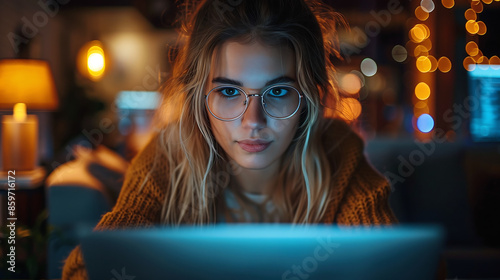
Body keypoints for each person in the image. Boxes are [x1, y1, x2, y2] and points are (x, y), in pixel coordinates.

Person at [62, 0, 446, 279]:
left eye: (278, 92)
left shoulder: (335, 150)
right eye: (229, 92)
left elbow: (405, 267)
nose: (253, 122)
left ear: (309, 96)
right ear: (201, 97)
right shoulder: (169, 154)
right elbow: (86, 269)